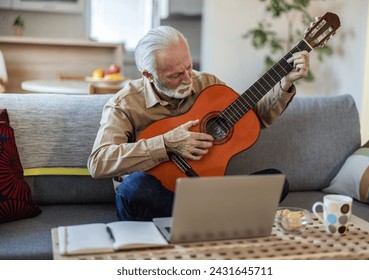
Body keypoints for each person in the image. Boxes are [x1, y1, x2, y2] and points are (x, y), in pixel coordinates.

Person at [87, 26, 310, 221]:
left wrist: (285, 83)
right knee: (134, 188)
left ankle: (202, 216)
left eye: (189, 66)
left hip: (204, 190)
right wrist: (165, 144)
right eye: (175, 75)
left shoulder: (208, 84)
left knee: (276, 181)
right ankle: (217, 216)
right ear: (149, 75)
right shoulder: (124, 103)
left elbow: (255, 119)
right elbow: (98, 162)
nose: (187, 78)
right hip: (155, 196)